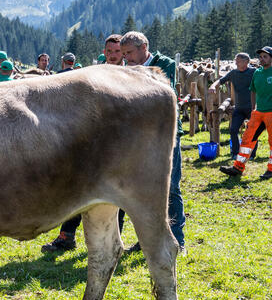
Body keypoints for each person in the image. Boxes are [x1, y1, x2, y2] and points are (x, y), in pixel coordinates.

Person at [42, 35, 129, 253]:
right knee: (80, 191)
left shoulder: (130, 76)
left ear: (124, 52)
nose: (112, 55)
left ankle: (111, 243)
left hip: (120, 144)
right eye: (109, 51)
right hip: (93, 143)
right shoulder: (97, 74)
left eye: (117, 51)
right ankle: (66, 236)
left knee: (118, 194)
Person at [120, 31, 185, 249]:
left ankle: (177, 240)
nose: (126, 57)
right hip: (141, 134)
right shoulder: (128, 68)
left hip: (166, 132)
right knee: (145, 187)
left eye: (129, 52)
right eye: (124, 54)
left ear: (143, 46)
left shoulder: (164, 63)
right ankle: (147, 238)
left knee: (171, 186)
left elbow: (160, 91)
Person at [219, 46, 272, 181]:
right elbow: (252, 90)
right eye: (260, 56)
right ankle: (237, 167)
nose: (262, 59)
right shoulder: (258, 72)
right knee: (247, 138)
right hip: (259, 112)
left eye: (265, 57)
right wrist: (253, 108)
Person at [207, 53, 255, 156]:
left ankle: (252, 154)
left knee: (252, 131)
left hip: (252, 107)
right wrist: (213, 86)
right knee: (233, 130)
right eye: (235, 60)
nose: (236, 63)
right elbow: (220, 80)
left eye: (238, 61)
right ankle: (235, 153)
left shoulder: (254, 72)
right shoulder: (233, 73)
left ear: (246, 62)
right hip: (239, 108)